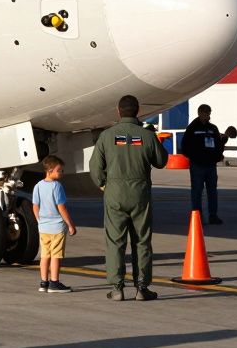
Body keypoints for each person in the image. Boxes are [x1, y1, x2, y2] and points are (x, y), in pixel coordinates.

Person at [90, 95, 168, 301]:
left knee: (115, 241)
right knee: (142, 240)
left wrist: (104, 184)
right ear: (137, 111)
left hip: (115, 193)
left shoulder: (107, 136)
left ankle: (117, 288)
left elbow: (95, 168)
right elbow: (161, 161)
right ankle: (142, 287)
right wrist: (153, 138)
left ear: (118, 111)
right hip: (140, 193)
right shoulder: (147, 135)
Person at [32, 155, 77, 294]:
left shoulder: (38, 186)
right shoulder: (57, 186)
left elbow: (35, 206)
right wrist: (70, 224)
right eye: (59, 170)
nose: (61, 173)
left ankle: (43, 282)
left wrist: (39, 221)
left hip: (43, 227)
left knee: (45, 256)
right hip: (57, 228)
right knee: (56, 256)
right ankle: (54, 283)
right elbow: (61, 208)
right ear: (50, 170)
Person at [181, 104, 225, 224]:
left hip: (211, 165)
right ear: (199, 113)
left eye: (209, 113)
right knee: (197, 191)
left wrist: (217, 156)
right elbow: (184, 147)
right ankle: (197, 216)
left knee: (212, 190)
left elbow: (218, 145)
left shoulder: (213, 128)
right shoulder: (192, 128)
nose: (207, 115)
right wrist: (195, 157)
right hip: (197, 165)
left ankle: (213, 215)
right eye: (205, 113)